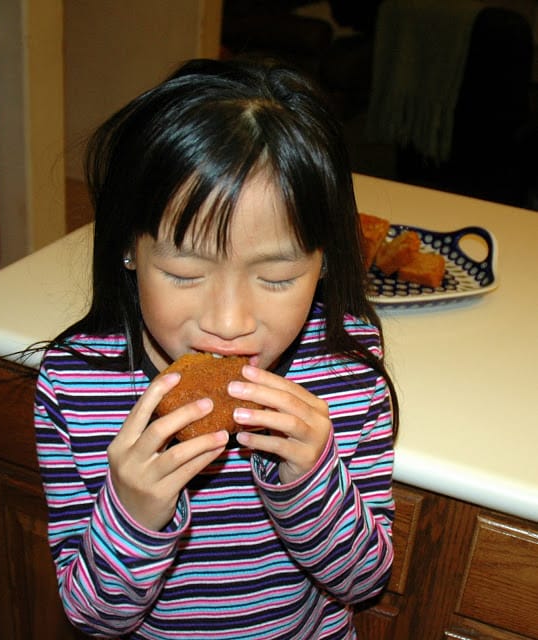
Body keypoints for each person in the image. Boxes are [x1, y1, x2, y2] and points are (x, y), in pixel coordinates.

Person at [34, 56, 398, 639]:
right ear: (130, 249)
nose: (229, 323)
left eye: (276, 278)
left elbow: (366, 582)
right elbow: (94, 618)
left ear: (324, 262)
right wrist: (131, 512)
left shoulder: (345, 370)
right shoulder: (77, 384)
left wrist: (309, 479)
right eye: (183, 271)